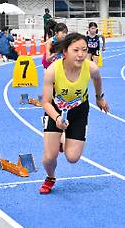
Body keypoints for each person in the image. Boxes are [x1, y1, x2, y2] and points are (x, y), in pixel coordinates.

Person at [39, 33, 109, 194]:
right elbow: (45, 102)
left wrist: (99, 98)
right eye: (75, 50)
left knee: (72, 157)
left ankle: (63, 138)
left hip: (78, 110)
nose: (80, 54)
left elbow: (97, 79)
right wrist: (56, 118)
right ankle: (50, 177)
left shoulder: (91, 67)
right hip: (55, 110)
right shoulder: (52, 71)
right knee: (50, 157)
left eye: (84, 50)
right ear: (65, 52)